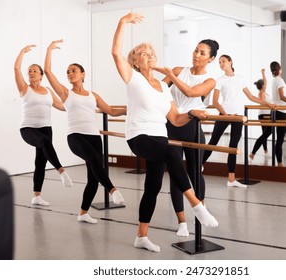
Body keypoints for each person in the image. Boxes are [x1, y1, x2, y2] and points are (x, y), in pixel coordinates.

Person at [111, 12, 218, 253]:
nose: (149, 56)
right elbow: (116, 53)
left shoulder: (163, 87)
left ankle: (141, 236)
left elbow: (175, 119)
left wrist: (192, 114)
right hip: (139, 137)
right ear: (136, 62)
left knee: (153, 186)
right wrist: (122, 23)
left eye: (151, 53)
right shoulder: (133, 78)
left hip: (158, 137)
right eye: (143, 54)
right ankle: (196, 206)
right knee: (172, 152)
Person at [44, 39, 126, 224]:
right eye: (67, 72)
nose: (70, 74)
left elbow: (111, 111)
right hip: (76, 136)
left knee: (93, 178)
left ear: (83, 74)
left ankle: (83, 213)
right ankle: (113, 190)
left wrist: (131, 109)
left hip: (94, 136)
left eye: (73, 70)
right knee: (97, 162)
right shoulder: (66, 93)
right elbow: (48, 72)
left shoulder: (93, 95)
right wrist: (49, 50)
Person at [154, 39, 218, 237]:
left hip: (192, 127)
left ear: (211, 58)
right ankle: (182, 222)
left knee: (194, 173)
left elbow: (190, 92)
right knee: (175, 175)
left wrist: (172, 75)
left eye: (202, 53)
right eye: (195, 50)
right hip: (172, 125)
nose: (196, 55)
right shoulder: (179, 70)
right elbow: (158, 90)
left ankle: (201, 211)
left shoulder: (210, 81)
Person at [202, 55, 275, 187]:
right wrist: (226, 114)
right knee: (213, 141)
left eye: (223, 61)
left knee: (233, 147)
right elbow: (215, 102)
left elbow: (251, 96)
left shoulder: (240, 79)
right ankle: (199, 165)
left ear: (230, 62)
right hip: (225, 115)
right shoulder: (219, 80)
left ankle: (231, 178)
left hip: (238, 116)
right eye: (219, 62)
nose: (221, 64)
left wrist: (267, 104)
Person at [14, 45, 73, 206]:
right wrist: (22, 52)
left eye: (34, 71)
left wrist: (80, 107)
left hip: (46, 127)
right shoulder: (24, 88)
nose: (31, 73)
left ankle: (36, 196)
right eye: (29, 71)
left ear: (41, 75)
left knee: (40, 161)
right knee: (44, 143)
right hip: (28, 128)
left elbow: (60, 105)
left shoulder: (47, 90)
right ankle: (61, 171)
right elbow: (16, 68)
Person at [249, 69, 272, 159]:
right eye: (264, 84)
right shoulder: (261, 93)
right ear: (262, 86)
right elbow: (262, 102)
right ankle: (254, 152)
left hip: (266, 114)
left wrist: (263, 73)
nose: (266, 84)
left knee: (265, 133)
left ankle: (263, 151)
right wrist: (270, 105)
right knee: (266, 133)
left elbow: (265, 81)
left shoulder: (264, 92)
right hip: (264, 114)